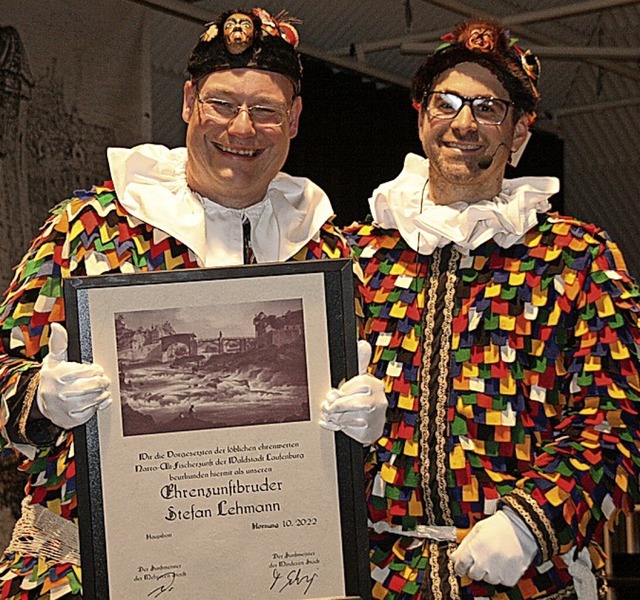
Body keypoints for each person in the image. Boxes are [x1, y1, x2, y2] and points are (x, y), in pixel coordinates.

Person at [0, 7, 385, 598]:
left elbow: (368, 389)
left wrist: (370, 418)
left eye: (265, 110)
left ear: (295, 119)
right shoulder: (89, 228)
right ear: (187, 102)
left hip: (277, 568)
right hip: (87, 565)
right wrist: (39, 399)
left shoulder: (329, 250)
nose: (241, 129)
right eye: (223, 104)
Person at [346, 19, 640, 600]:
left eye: (487, 107)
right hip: (385, 579)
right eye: (447, 102)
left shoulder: (578, 257)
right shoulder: (357, 253)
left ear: (520, 134)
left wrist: (532, 522)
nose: (464, 123)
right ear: (422, 116)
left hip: (536, 578)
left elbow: (617, 419)